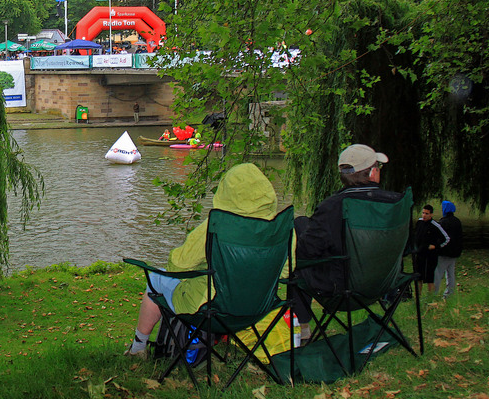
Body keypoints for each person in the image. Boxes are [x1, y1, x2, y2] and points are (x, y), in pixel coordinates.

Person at [124, 163, 279, 356]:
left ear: (226, 191)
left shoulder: (216, 226)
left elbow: (178, 265)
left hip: (213, 308)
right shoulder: (280, 228)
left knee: (155, 279)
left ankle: (138, 349)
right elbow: (287, 271)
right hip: (258, 307)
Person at [292, 144, 404, 330]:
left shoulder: (332, 207)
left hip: (341, 289)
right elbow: (405, 247)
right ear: (372, 174)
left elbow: (307, 252)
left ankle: (302, 328)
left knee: (298, 238)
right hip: (385, 283)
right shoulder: (396, 203)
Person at [416, 204, 449, 294]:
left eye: (426, 213)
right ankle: (417, 297)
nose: (424, 215)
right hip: (419, 254)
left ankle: (431, 297)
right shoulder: (419, 223)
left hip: (430, 256)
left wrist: (435, 246)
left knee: (429, 278)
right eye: (423, 213)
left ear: (431, 215)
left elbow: (446, 238)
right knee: (418, 277)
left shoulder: (435, 226)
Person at [433, 200, 463, 298]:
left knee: (438, 273)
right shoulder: (457, 221)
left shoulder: (443, 222)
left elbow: (439, 237)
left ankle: (434, 293)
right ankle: (450, 293)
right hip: (454, 252)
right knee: (450, 273)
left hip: (444, 252)